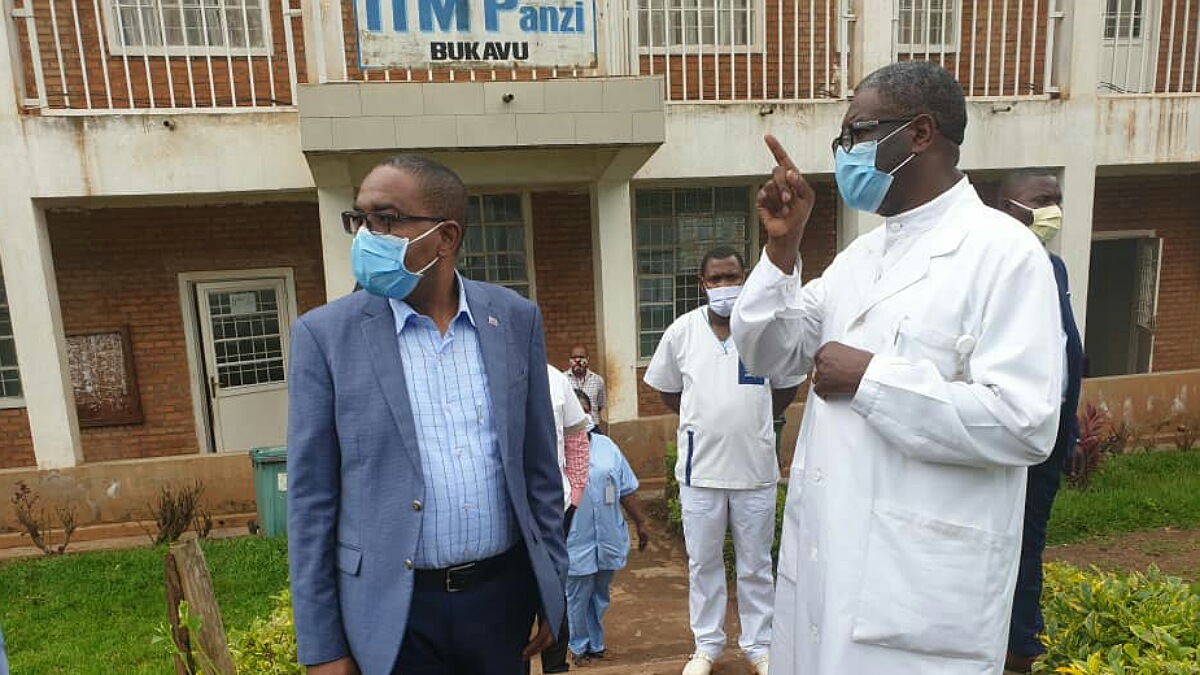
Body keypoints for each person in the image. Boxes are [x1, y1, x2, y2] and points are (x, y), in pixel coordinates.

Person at [731, 60, 1064, 675]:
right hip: (831, 576)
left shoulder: (1004, 253)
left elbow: (1026, 423)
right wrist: (782, 248)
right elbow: (769, 351)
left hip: (921, 595)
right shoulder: (862, 257)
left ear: (920, 133)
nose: (845, 154)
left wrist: (872, 380)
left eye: (858, 134)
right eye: (842, 140)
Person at [287, 154, 567, 675]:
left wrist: (551, 589)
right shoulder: (324, 337)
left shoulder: (514, 319)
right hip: (392, 612)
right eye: (361, 219)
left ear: (446, 237)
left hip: (499, 602)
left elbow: (540, 474)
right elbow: (311, 503)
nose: (368, 235)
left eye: (387, 220)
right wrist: (323, 646)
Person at [644, 246, 801, 675]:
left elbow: (786, 383)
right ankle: (707, 647)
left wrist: (757, 420)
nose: (724, 286)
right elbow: (667, 389)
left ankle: (759, 647)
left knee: (755, 565)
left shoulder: (761, 332)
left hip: (755, 472)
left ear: (745, 279)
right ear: (702, 284)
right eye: (715, 279)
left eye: (732, 277)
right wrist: (703, 419)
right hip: (701, 473)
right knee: (704, 563)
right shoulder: (681, 332)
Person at [995, 170, 1085, 673]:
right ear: (1008, 208)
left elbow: (1067, 352)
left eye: (1057, 199)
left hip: (1049, 439)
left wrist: (1069, 432)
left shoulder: (1055, 268)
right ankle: (1009, 645)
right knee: (1006, 546)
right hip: (1007, 436)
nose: (1053, 210)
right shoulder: (997, 269)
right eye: (1041, 200)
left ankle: (1022, 640)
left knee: (1031, 543)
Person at [565, 389, 650, 667]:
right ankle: (578, 647)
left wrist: (641, 522)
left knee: (599, 594)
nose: (581, 416)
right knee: (577, 595)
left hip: (608, 535)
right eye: (574, 410)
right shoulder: (555, 448)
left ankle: (597, 645)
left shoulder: (607, 446)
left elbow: (625, 487)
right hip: (575, 539)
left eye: (584, 410)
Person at [534, 365, 592, 674]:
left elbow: (576, 438)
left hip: (553, 508)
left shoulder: (555, 380)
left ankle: (555, 666)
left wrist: (576, 491)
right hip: (507, 511)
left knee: (553, 588)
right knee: (511, 594)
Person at [564, 346, 607, 427]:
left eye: (581, 357)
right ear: (569, 360)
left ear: (587, 359)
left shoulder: (598, 380)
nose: (577, 360)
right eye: (574, 357)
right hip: (571, 428)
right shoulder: (563, 380)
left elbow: (600, 405)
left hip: (593, 426)